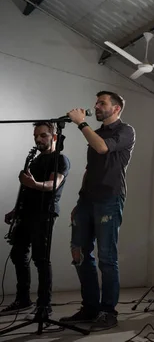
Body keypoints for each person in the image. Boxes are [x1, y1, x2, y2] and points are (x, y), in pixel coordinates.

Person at [60, 91, 135, 330]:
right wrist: (79, 202)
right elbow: (90, 169)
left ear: (116, 109)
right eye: (97, 102)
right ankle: (90, 307)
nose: (96, 106)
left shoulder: (126, 131)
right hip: (87, 201)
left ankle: (108, 311)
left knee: (107, 258)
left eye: (102, 103)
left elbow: (103, 149)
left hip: (109, 199)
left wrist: (81, 123)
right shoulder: (96, 134)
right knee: (79, 254)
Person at [2, 122, 70, 318]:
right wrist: (16, 209)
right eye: (36, 136)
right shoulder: (35, 160)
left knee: (41, 259)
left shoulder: (60, 160)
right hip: (27, 213)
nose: (38, 139)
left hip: (45, 213)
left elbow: (53, 184)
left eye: (43, 135)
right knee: (17, 254)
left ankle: (44, 305)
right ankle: (23, 299)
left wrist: (32, 183)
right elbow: (27, 190)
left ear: (54, 137)